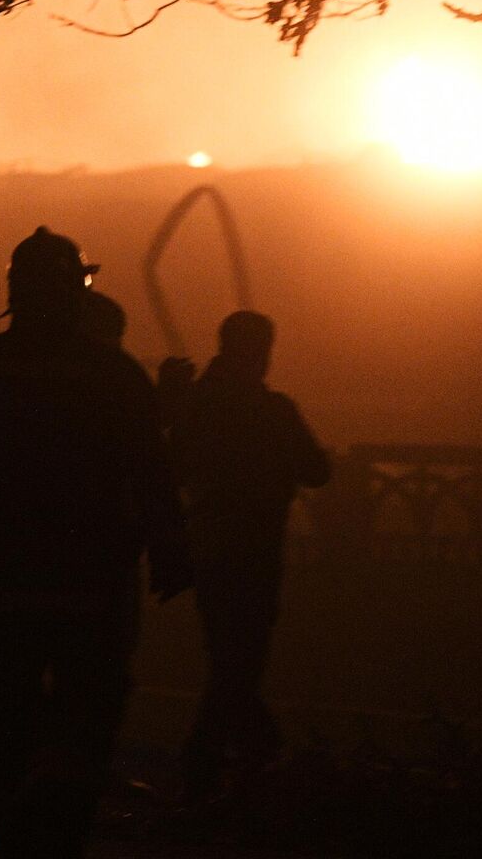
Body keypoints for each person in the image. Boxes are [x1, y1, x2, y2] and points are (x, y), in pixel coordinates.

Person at [0, 228, 190, 859]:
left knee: (5, 701)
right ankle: (65, 824)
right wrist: (169, 547)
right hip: (93, 571)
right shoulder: (112, 372)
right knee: (93, 704)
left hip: (4, 569)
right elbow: (150, 467)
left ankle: (12, 825)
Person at [168, 310, 330, 800]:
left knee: (229, 659)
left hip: (212, 547)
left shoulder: (198, 405)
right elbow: (317, 470)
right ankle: (228, 757)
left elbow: (173, 467)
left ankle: (230, 757)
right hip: (255, 550)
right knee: (241, 661)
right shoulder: (273, 410)